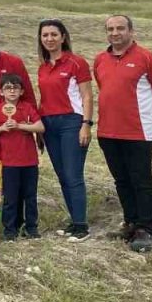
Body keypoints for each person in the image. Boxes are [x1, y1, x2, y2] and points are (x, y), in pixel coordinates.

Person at [94, 15, 152, 253]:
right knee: (122, 180)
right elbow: (105, 88)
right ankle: (130, 222)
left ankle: (145, 228)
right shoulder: (100, 59)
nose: (115, 33)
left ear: (131, 31)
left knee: (141, 180)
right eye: (110, 29)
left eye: (120, 28)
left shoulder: (148, 58)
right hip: (108, 130)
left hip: (138, 131)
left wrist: (147, 112)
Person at [36, 18, 94, 241]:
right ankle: (74, 220)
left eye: (53, 34)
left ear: (63, 37)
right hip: (50, 124)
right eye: (45, 35)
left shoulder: (76, 62)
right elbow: (45, 98)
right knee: (62, 175)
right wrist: (40, 129)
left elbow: (87, 95)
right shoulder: (43, 67)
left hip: (72, 122)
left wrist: (86, 125)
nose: (49, 39)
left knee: (73, 174)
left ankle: (82, 226)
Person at [0, 74, 45, 240]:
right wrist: (1, 128)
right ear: (1, 91)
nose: (12, 91)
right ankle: (10, 230)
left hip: (29, 160)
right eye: (8, 88)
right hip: (9, 161)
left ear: (21, 91)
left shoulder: (27, 107)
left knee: (30, 196)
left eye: (16, 88)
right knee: (11, 197)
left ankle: (31, 227)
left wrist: (20, 125)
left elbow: (40, 127)